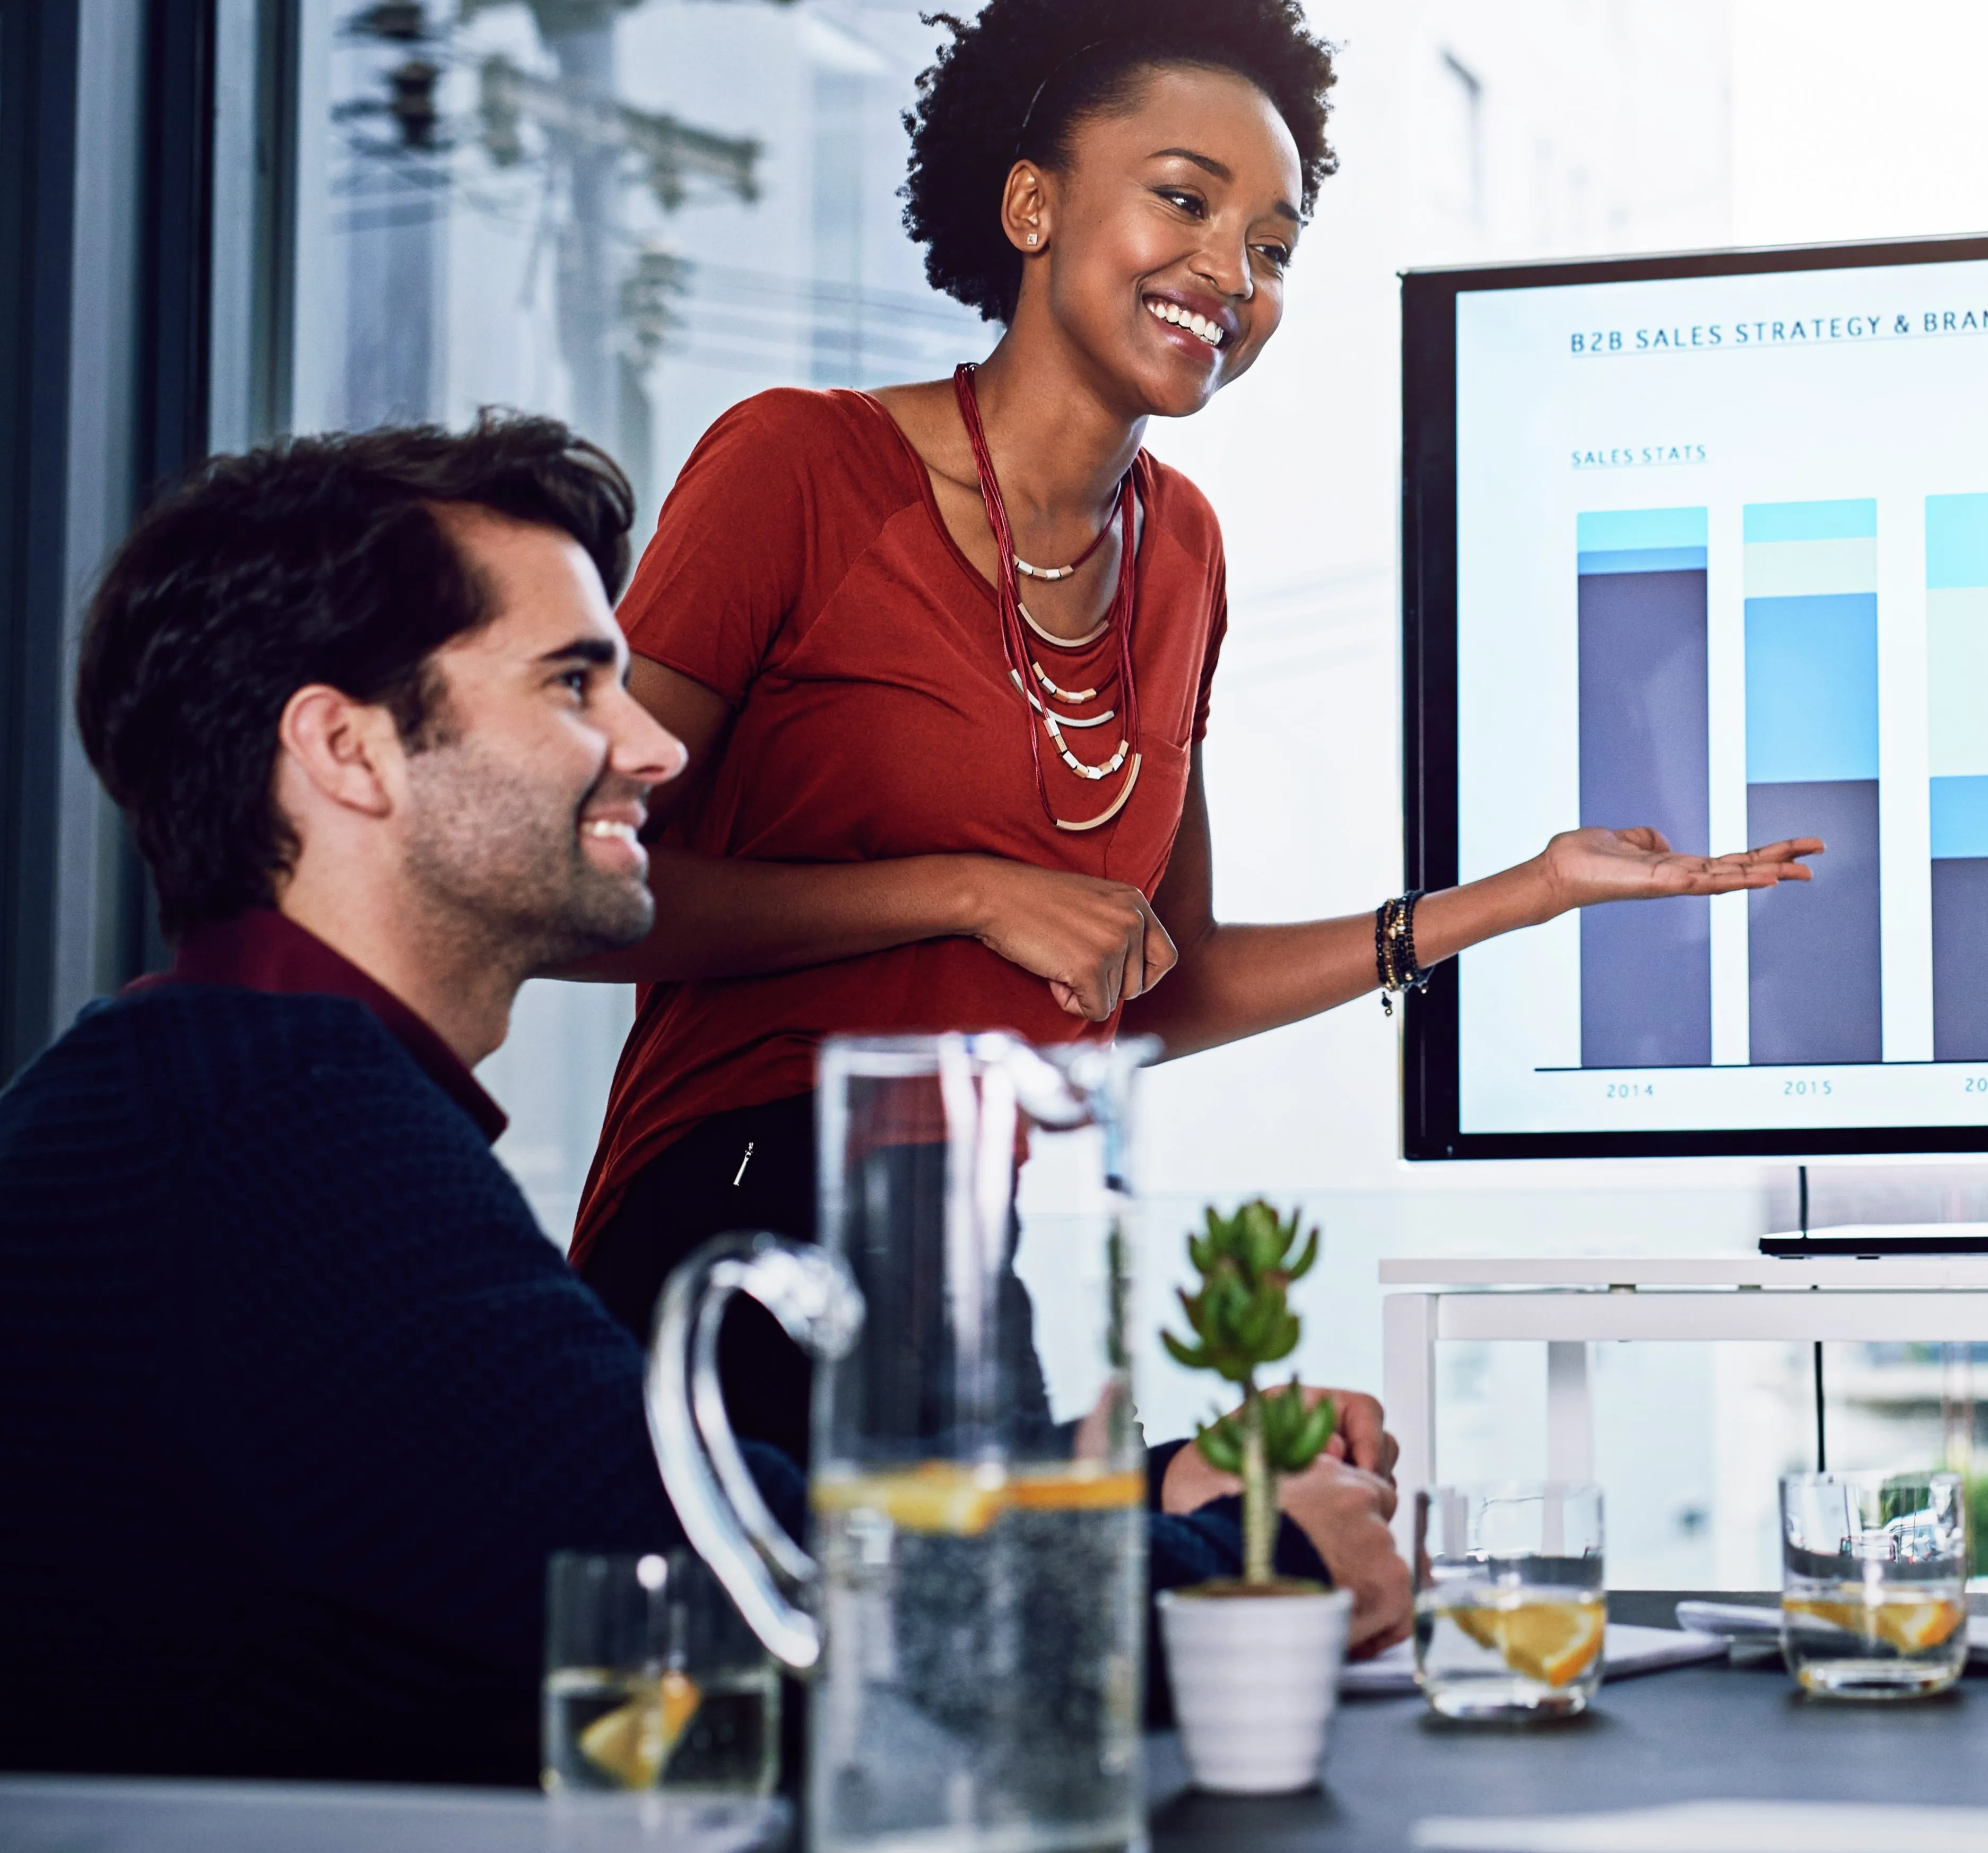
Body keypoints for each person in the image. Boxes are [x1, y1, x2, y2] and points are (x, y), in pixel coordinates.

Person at [558, 0, 1814, 1607]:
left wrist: (1516, 899)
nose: (1233, 271)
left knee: (1091, 1664)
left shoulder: (1183, 554)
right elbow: (574, 885)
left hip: (971, 1235)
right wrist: (964, 894)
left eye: (1274, 245)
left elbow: (1151, 980)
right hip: (734, 1225)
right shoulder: (798, 467)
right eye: (1185, 200)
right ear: (1031, 206)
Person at [0, 420, 1397, 1783]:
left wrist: (1161, 1495)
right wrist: (1261, 1561)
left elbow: (663, 1527)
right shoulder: (275, 1140)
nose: (655, 749)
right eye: (573, 686)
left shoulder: (210, 1101)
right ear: (346, 751)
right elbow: (750, 1606)